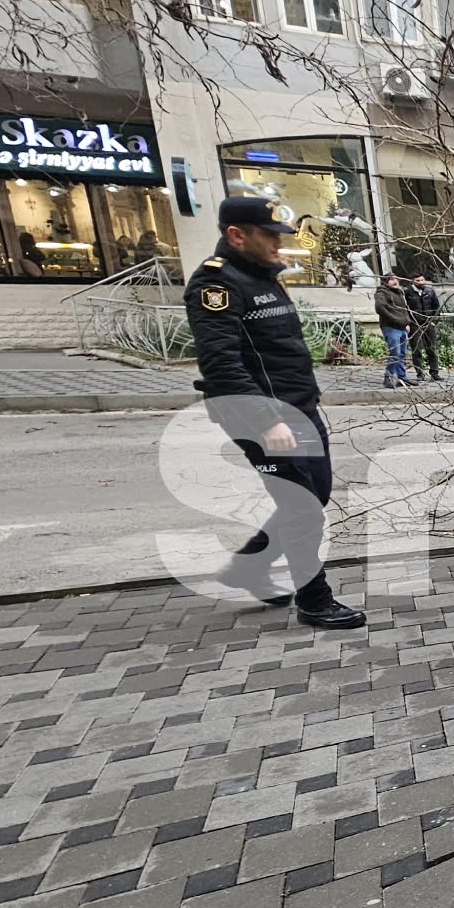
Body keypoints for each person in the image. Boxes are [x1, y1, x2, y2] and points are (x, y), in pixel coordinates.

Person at [186, 196, 364, 629]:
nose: (278, 246)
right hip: (261, 417)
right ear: (236, 235)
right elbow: (222, 365)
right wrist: (268, 421)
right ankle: (315, 600)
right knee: (302, 508)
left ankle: (248, 567)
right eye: (268, 236)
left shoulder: (265, 278)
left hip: (299, 409)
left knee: (313, 497)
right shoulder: (216, 285)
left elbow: (281, 350)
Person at [374, 274, 413, 388]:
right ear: (386, 282)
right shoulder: (382, 293)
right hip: (391, 327)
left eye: (396, 279)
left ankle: (402, 377)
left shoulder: (399, 293)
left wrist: (407, 322)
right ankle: (388, 378)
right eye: (392, 279)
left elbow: (404, 309)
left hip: (402, 327)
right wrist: (397, 320)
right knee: (394, 353)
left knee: (401, 353)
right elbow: (380, 308)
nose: (395, 281)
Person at [408, 275, 442, 382]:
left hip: (428, 323)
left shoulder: (430, 291)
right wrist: (409, 322)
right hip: (414, 324)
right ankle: (420, 373)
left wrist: (434, 321)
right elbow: (406, 309)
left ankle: (434, 372)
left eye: (422, 280)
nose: (421, 282)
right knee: (417, 349)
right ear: (413, 281)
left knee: (431, 348)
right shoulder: (408, 293)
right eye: (418, 280)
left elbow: (436, 307)